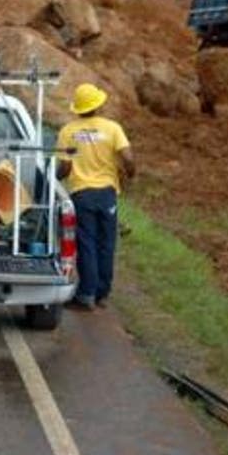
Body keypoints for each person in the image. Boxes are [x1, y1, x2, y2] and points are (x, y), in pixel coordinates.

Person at [56, 83, 136, 311]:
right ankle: (102, 293)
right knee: (107, 243)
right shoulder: (112, 129)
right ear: (99, 106)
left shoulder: (68, 131)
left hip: (81, 194)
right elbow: (128, 158)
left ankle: (86, 294)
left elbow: (65, 168)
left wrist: (54, 179)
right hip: (107, 194)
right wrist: (130, 175)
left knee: (86, 243)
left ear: (78, 108)